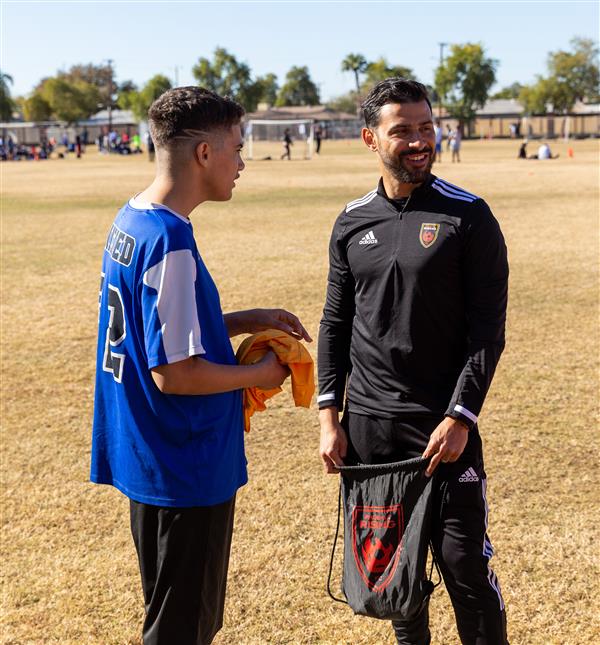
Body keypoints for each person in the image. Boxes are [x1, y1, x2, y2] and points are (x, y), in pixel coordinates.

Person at [91, 86, 311, 645]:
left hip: (149, 454)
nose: (242, 163)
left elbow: (157, 329)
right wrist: (260, 377)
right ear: (204, 154)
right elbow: (176, 373)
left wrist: (240, 318)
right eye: (237, 148)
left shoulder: (133, 220)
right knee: (183, 628)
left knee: (169, 612)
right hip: (184, 463)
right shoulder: (170, 242)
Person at [318, 77, 509, 645]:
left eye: (427, 127)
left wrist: (460, 417)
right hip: (371, 433)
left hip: (442, 429)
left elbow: (487, 333)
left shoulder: (469, 217)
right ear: (370, 140)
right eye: (403, 130)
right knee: (394, 581)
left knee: (466, 570)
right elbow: (335, 323)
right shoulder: (351, 222)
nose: (420, 140)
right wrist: (330, 416)